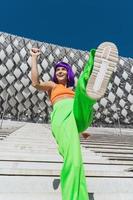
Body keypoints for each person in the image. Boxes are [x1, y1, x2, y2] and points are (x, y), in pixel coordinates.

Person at [30, 42, 118, 200]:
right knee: (75, 161)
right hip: (62, 115)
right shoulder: (52, 85)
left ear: (68, 72)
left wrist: (81, 130)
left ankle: (92, 74)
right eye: (58, 70)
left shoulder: (72, 89)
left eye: (63, 69)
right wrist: (34, 58)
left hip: (76, 114)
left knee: (82, 93)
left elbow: (75, 107)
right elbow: (35, 83)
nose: (60, 71)